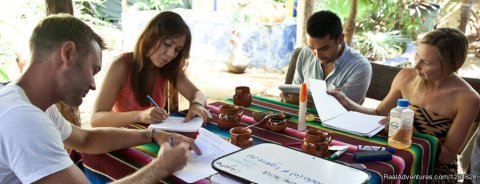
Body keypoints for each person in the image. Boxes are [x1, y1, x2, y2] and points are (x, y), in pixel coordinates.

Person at [0, 14, 200, 183]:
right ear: (67, 54)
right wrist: (160, 168)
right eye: (93, 70)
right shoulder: (24, 120)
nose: (93, 84)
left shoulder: (32, 104)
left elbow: (86, 139)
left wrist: (152, 135)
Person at [329, 28, 480, 182]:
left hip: (433, 171)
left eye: (426, 62)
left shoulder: (467, 99)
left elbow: (446, 156)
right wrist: (346, 102)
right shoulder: (406, 77)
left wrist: (410, 133)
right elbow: (378, 114)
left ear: (450, 65)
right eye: (417, 56)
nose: (416, 65)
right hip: (397, 156)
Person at [91, 11, 211, 128]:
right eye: (168, 44)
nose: (170, 54)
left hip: (154, 137)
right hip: (123, 140)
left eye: (177, 50)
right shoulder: (121, 65)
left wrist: (197, 104)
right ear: (151, 37)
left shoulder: (167, 67)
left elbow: (197, 94)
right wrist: (140, 116)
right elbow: (96, 119)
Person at [281, 10, 371, 105]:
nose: (317, 55)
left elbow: (343, 108)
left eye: (324, 48)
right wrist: (292, 98)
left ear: (340, 39)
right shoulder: (305, 53)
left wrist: (304, 101)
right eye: (312, 48)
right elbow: (296, 92)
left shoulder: (360, 67)